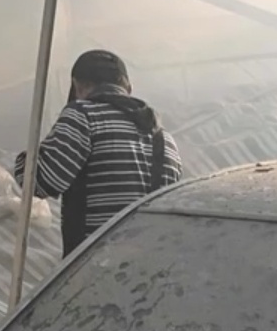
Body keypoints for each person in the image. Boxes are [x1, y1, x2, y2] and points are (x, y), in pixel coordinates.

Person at [13, 49, 183, 257]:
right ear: (128, 88)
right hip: (149, 266)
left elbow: (41, 182)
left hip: (95, 264)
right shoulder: (165, 140)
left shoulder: (83, 116)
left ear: (77, 86)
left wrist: (25, 161)